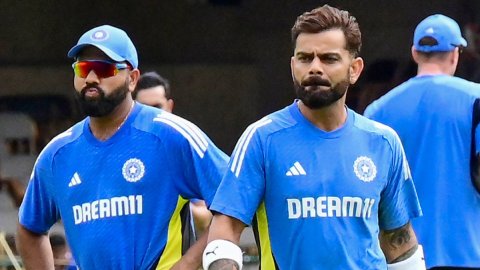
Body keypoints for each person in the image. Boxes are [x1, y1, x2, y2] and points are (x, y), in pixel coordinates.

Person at [203, 4, 425, 270]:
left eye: (329, 59)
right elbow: (224, 231)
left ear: (354, 69)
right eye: (305, 58)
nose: (315, 68)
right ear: (293, 65)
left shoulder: (383, 142)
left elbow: (399, 243)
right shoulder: (262, 138)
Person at [16, 25, 229, 270]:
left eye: (105, 69)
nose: (92, 78)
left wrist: (189, 263)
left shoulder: (171, 135)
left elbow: (234, 201)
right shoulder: (56, 154)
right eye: (83, 68)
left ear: (132, 79)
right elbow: (29, 229)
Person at [364, 14, 480, 269]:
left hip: (403, 258)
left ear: (415, 53)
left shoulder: (376, 112)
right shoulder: (476, 100)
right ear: (455, 54)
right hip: (468, 251)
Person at [134, 71, 213, 237]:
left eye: (156, 107)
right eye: (144, 108)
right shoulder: (120, 152)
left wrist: (163, 202)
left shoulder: (182, 148)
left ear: (169, 106)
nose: (151, 115)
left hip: (176, 259)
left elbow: (206, 216)